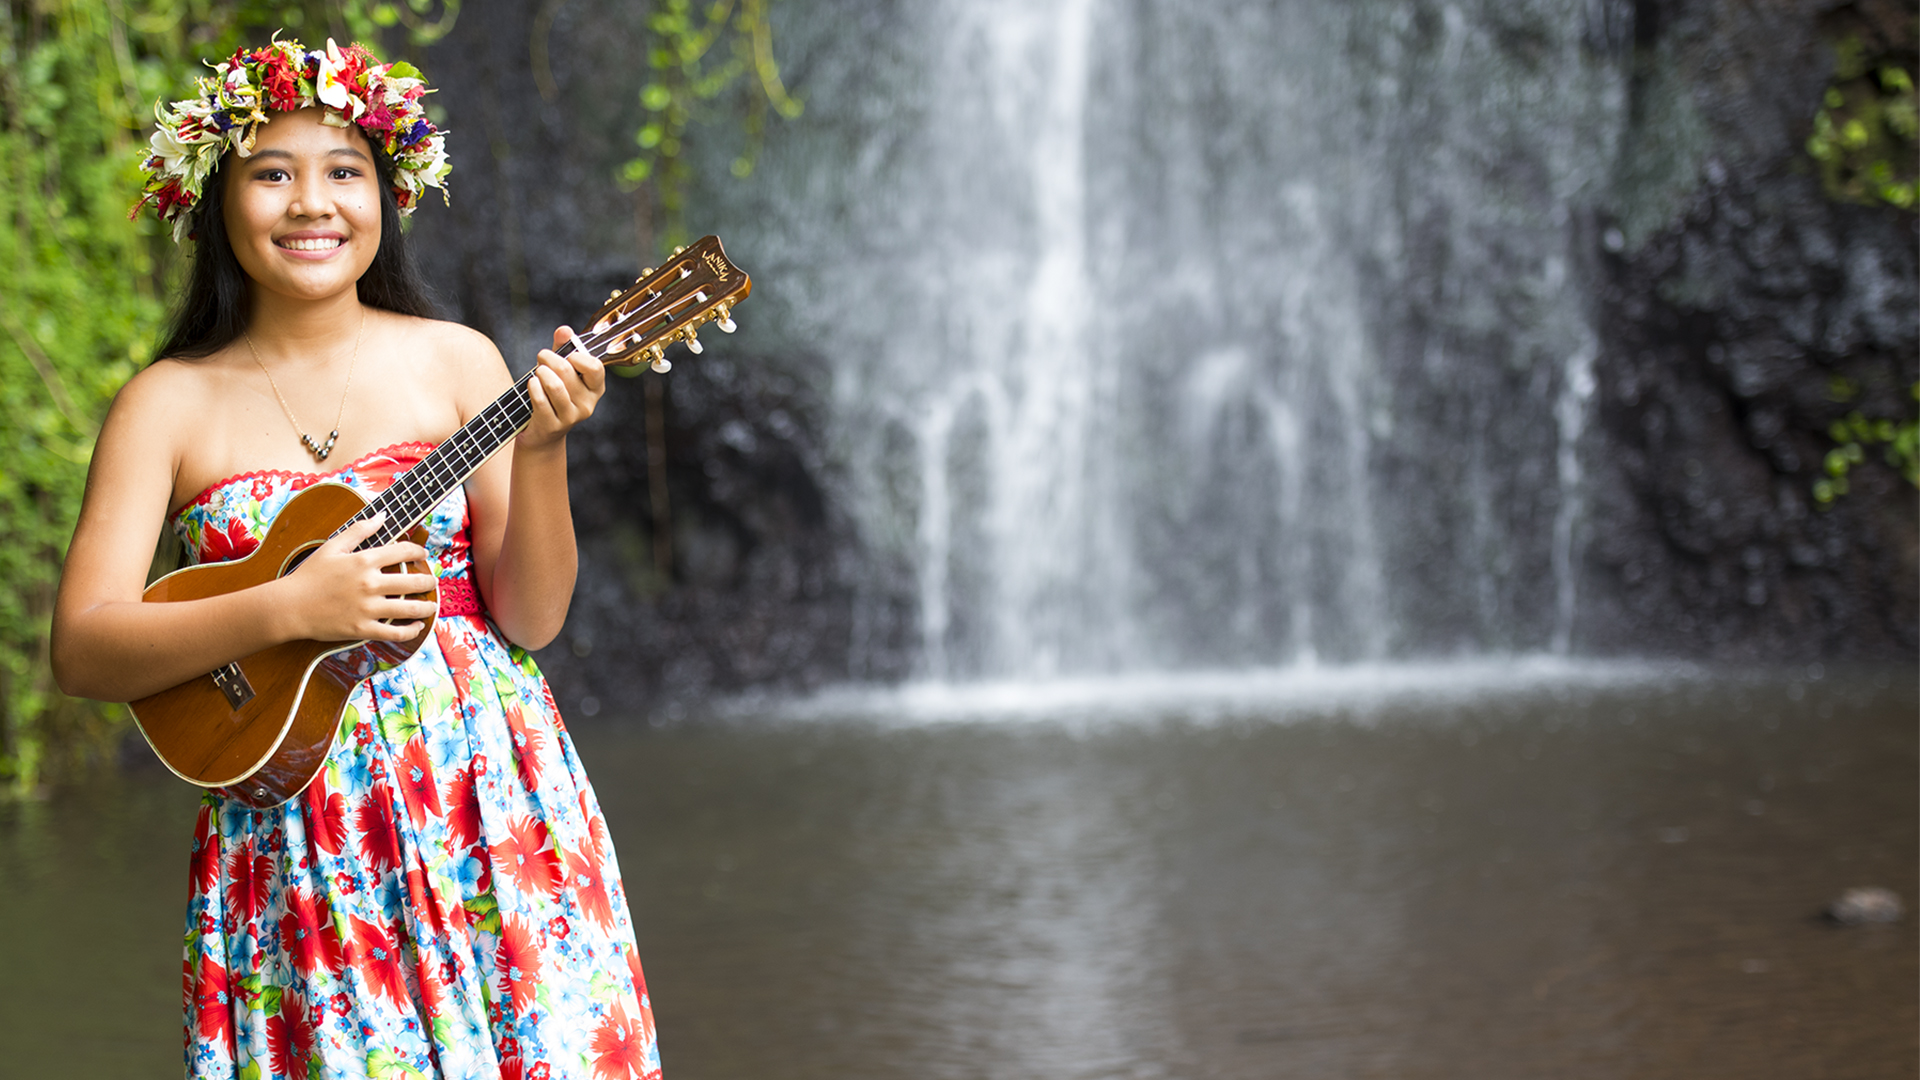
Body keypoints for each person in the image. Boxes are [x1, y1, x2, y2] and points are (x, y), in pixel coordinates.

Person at [49, 39, 662, 1080]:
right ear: (215, 199)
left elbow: (535, 617)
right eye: (272, 174)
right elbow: (86, 649)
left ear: (387, 197)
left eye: (344, 172)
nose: (311, 204)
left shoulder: (457, 361)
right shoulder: (168, 404)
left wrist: (545, 448)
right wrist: (291, 611)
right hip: (299, 829)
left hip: (484, 794)